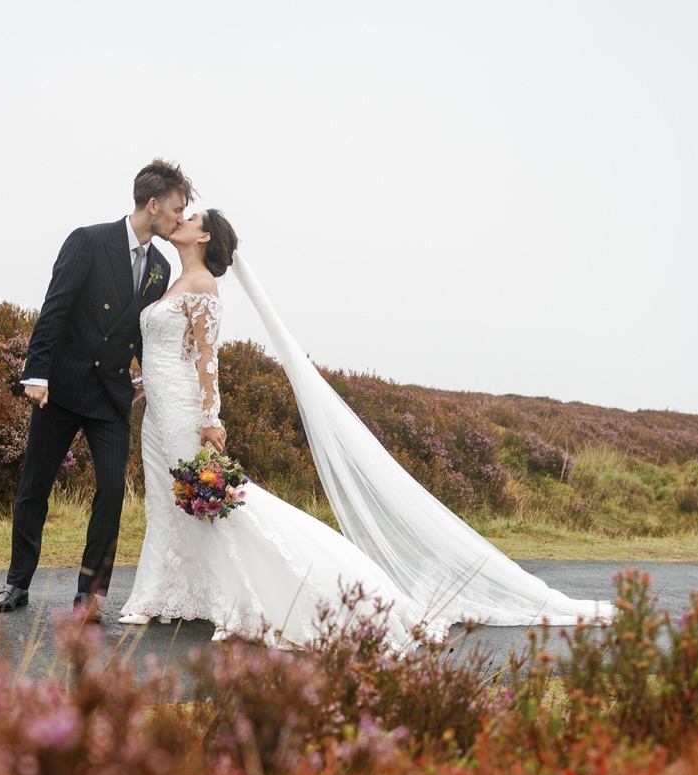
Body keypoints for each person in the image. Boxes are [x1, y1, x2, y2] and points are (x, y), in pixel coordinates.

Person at [119, 210, 614, 647]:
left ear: (204, 238)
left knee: (217, 504)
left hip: (187, 411)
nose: (180, 221)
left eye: (190, 219)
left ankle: (291, 586)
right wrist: (142, 382)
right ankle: (164, 593)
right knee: (168, 502)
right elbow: (174, 351)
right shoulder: (172, 283)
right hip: (157, 414)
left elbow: (208, 361)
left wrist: (211, 420)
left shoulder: (204, 287)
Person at [0, 160, 191, 617]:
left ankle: (90, 594)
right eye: (177, 210)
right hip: (61, 386)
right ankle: (16, 582)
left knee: (112, 490)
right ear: (153, 204)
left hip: (109, 396)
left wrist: (149, 381)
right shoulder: (87, 240)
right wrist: (36, 374)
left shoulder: (159, 266)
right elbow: (54, 308)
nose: (179, 219)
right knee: (34, 486)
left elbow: (141, 334)